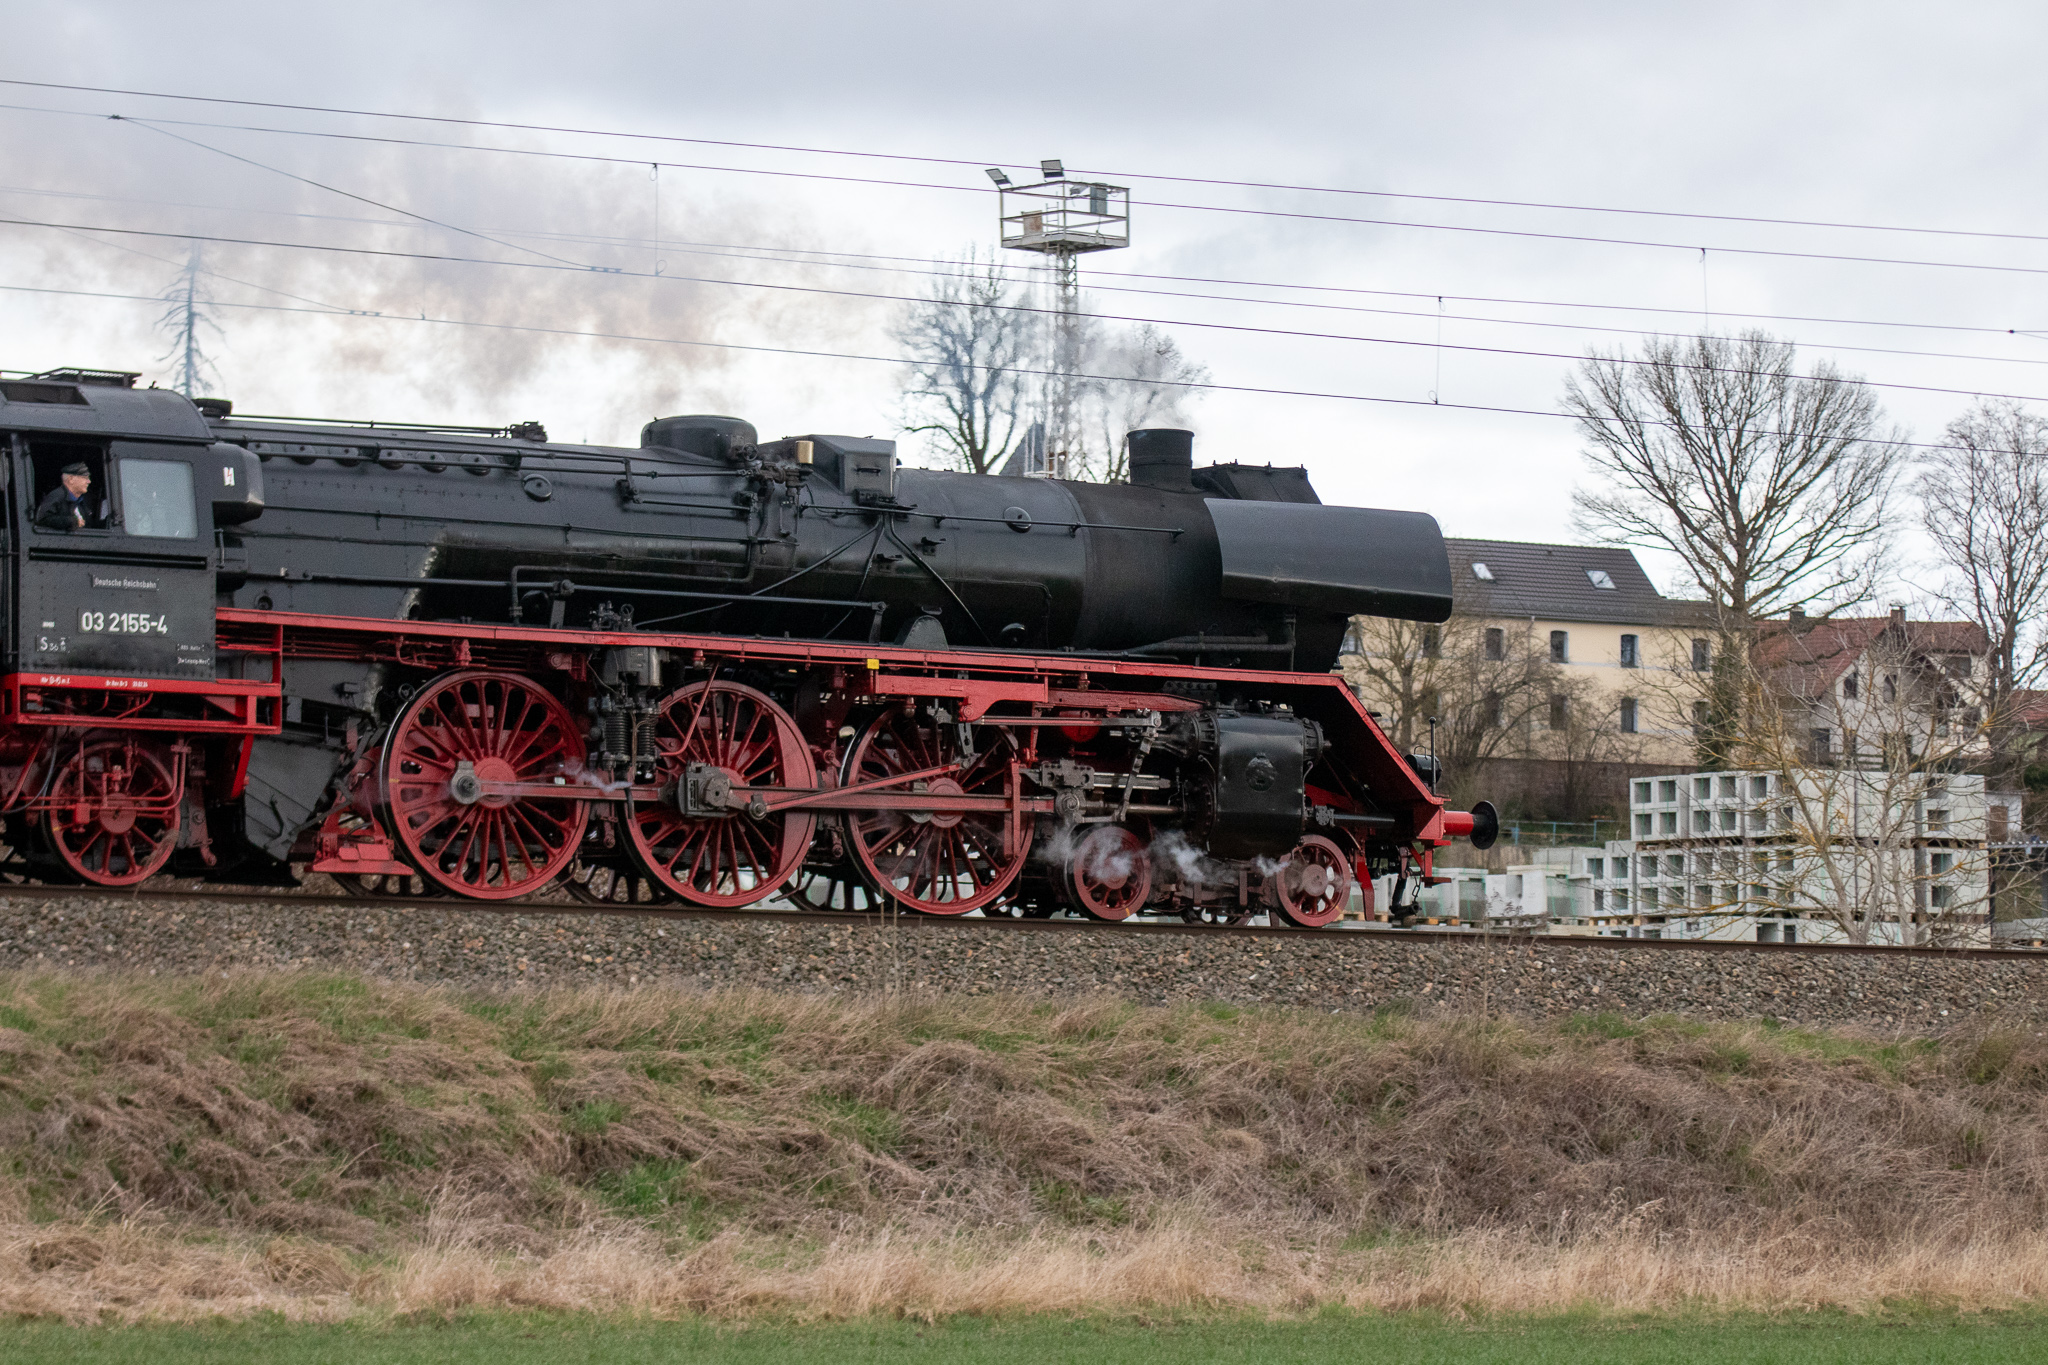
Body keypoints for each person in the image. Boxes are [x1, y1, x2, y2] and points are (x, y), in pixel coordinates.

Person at [35, 462, 99, 530]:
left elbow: (89, 526)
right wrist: (70, 521)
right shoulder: (57, 496)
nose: (89, 481)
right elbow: (42, 519)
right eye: (85, 478)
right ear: (71, 479)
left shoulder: (82, 501)